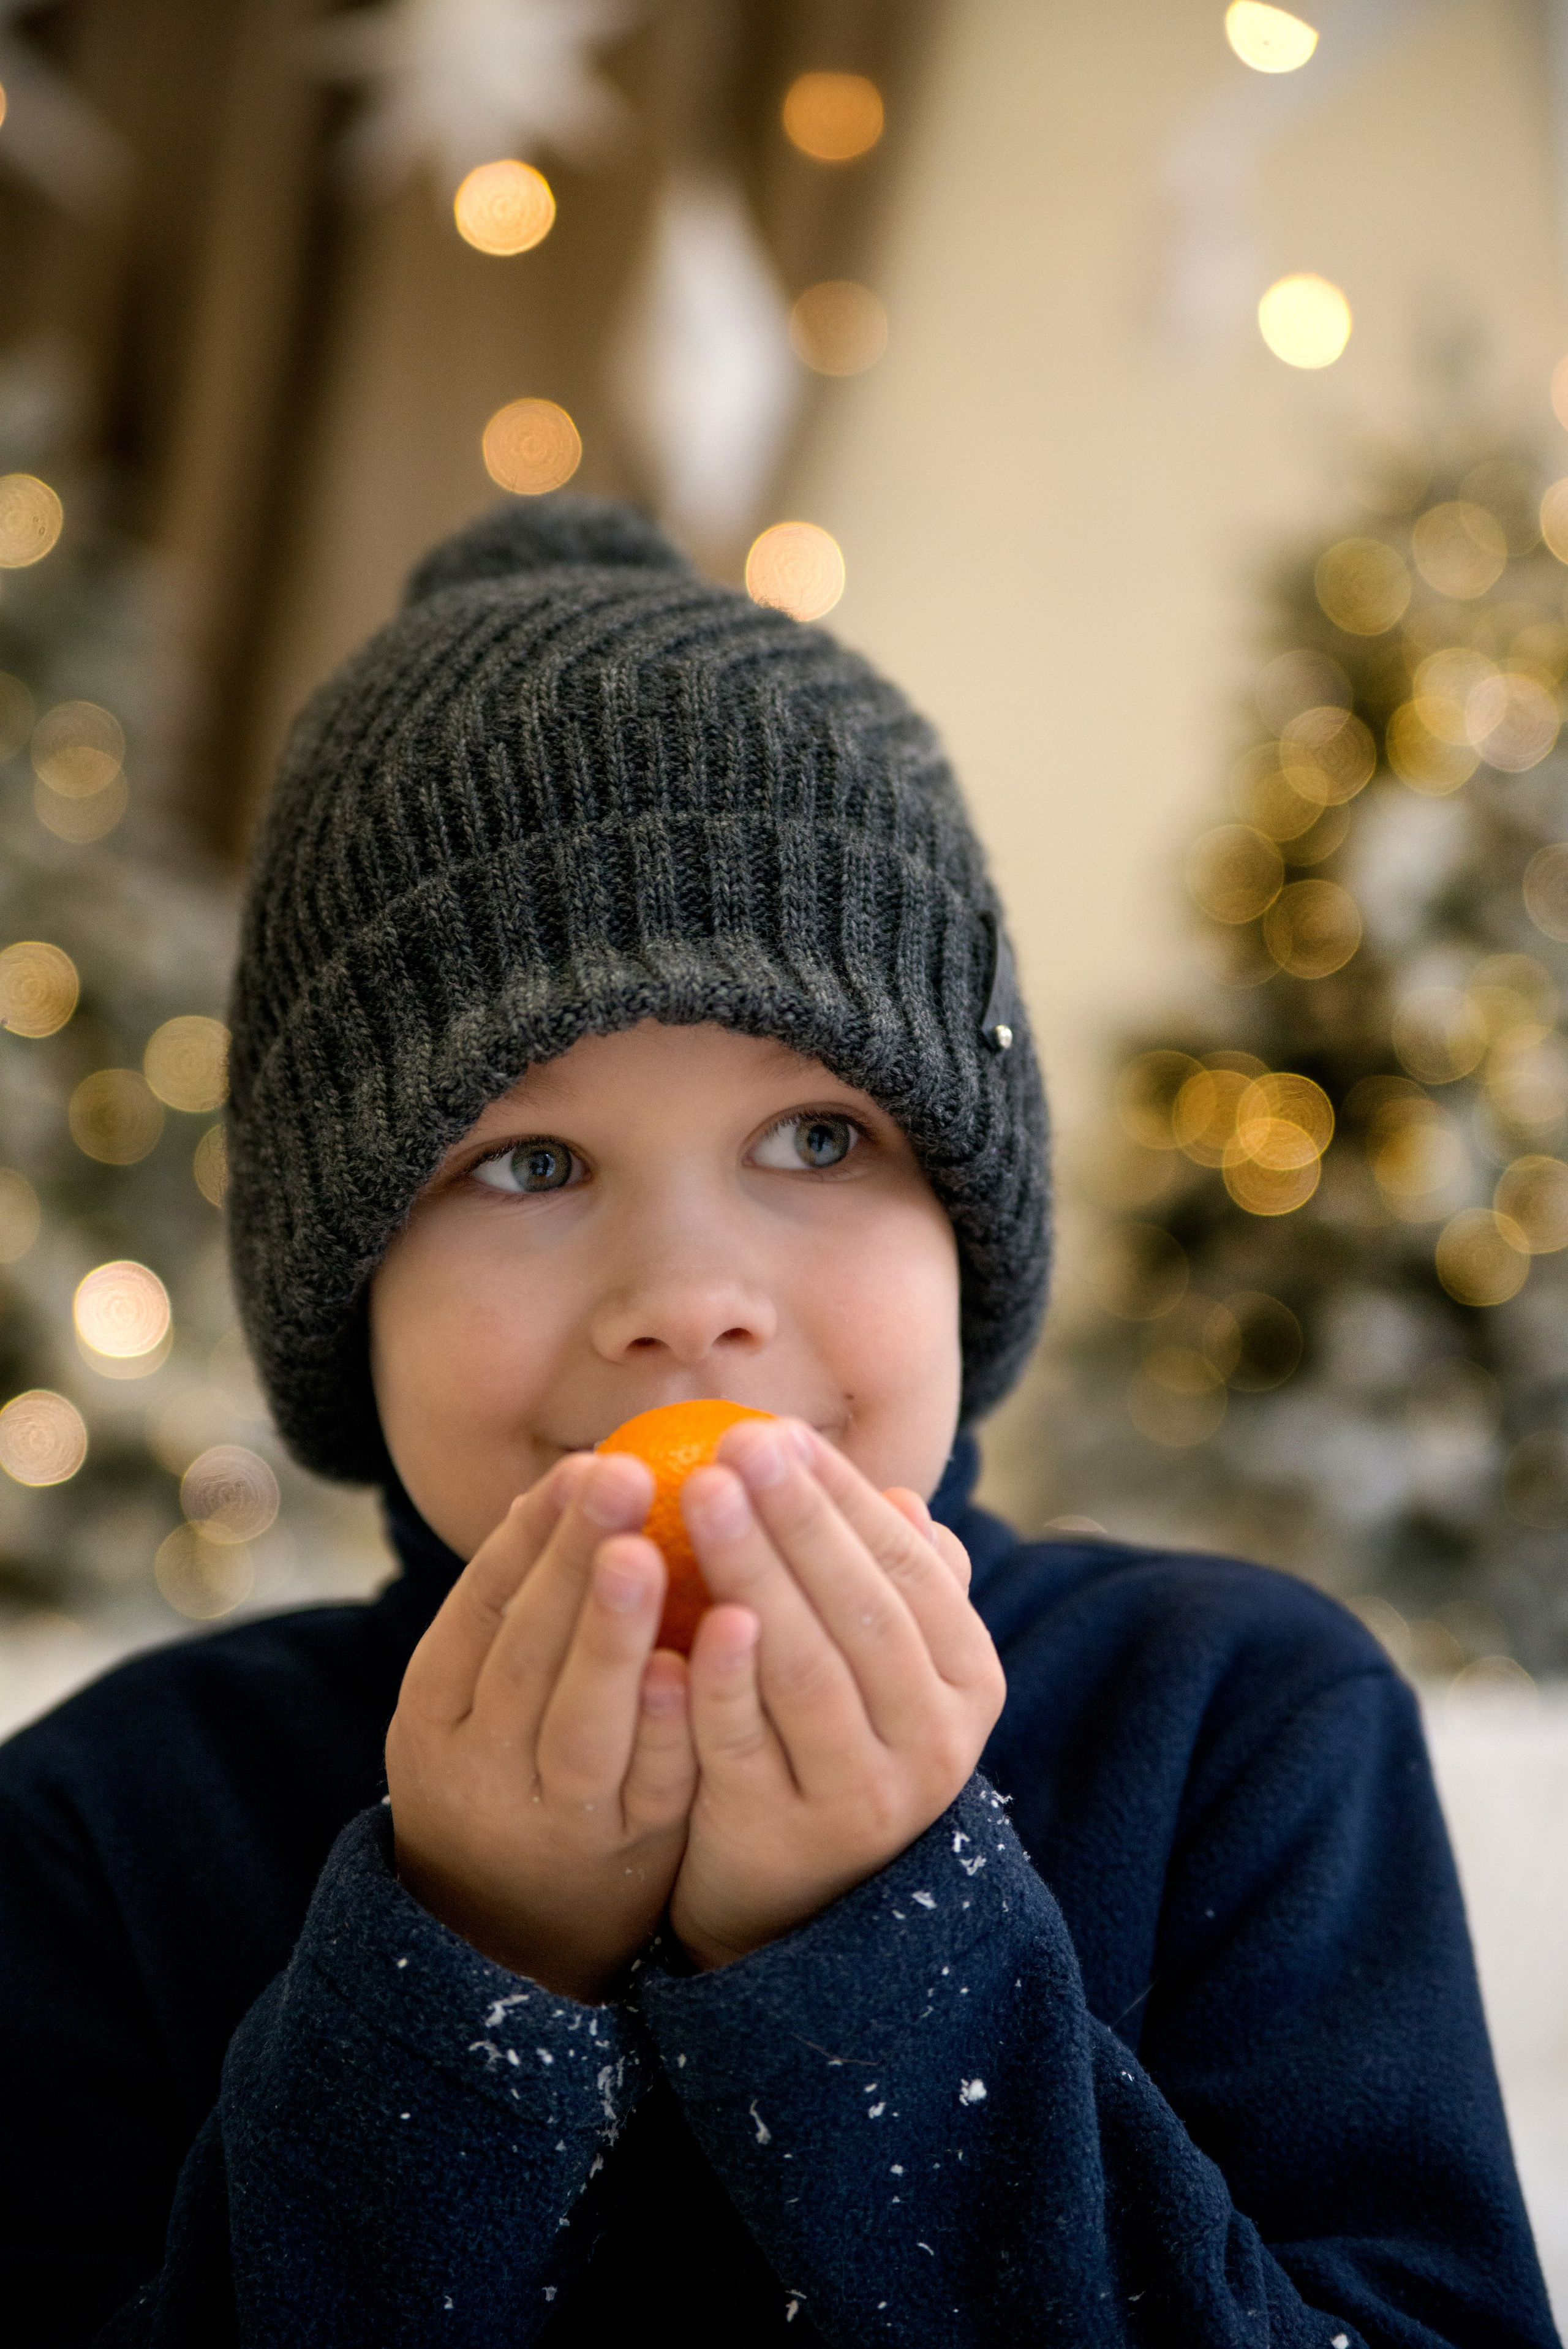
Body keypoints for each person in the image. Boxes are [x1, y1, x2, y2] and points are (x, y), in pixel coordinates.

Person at [0, 496, 1556, 2349]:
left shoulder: (1237, 1728)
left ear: (970, 1228)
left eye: (817, 1138)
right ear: (342, 1280)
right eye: (529, 1158)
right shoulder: (105, 1831)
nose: (688, 1285)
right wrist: (464, 1962)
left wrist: (879, 1947)